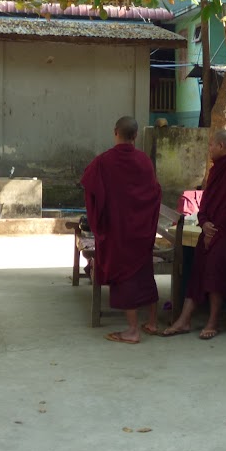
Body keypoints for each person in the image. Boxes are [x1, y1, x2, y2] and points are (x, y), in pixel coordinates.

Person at [153, 129, 226, 340]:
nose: (208, 149)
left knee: (216, 266)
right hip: (212, 228)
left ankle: (213, 321)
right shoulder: (217, 169)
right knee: (198, 268)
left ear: (220, 146)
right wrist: (204, 222)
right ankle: (184, 319)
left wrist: (216, 229)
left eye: (210, 145)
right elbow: (207, 199)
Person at [81, 116, 162, 344]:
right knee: (144, 274)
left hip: (118, 232)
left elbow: (90, 190)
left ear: (115, 131)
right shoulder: (145, 161)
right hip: (141, 231)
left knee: (125, 278)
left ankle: (133, 330)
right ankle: (153, 323)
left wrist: (99, 222)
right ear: (136, 135)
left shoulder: (104, 161)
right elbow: (155, 193)